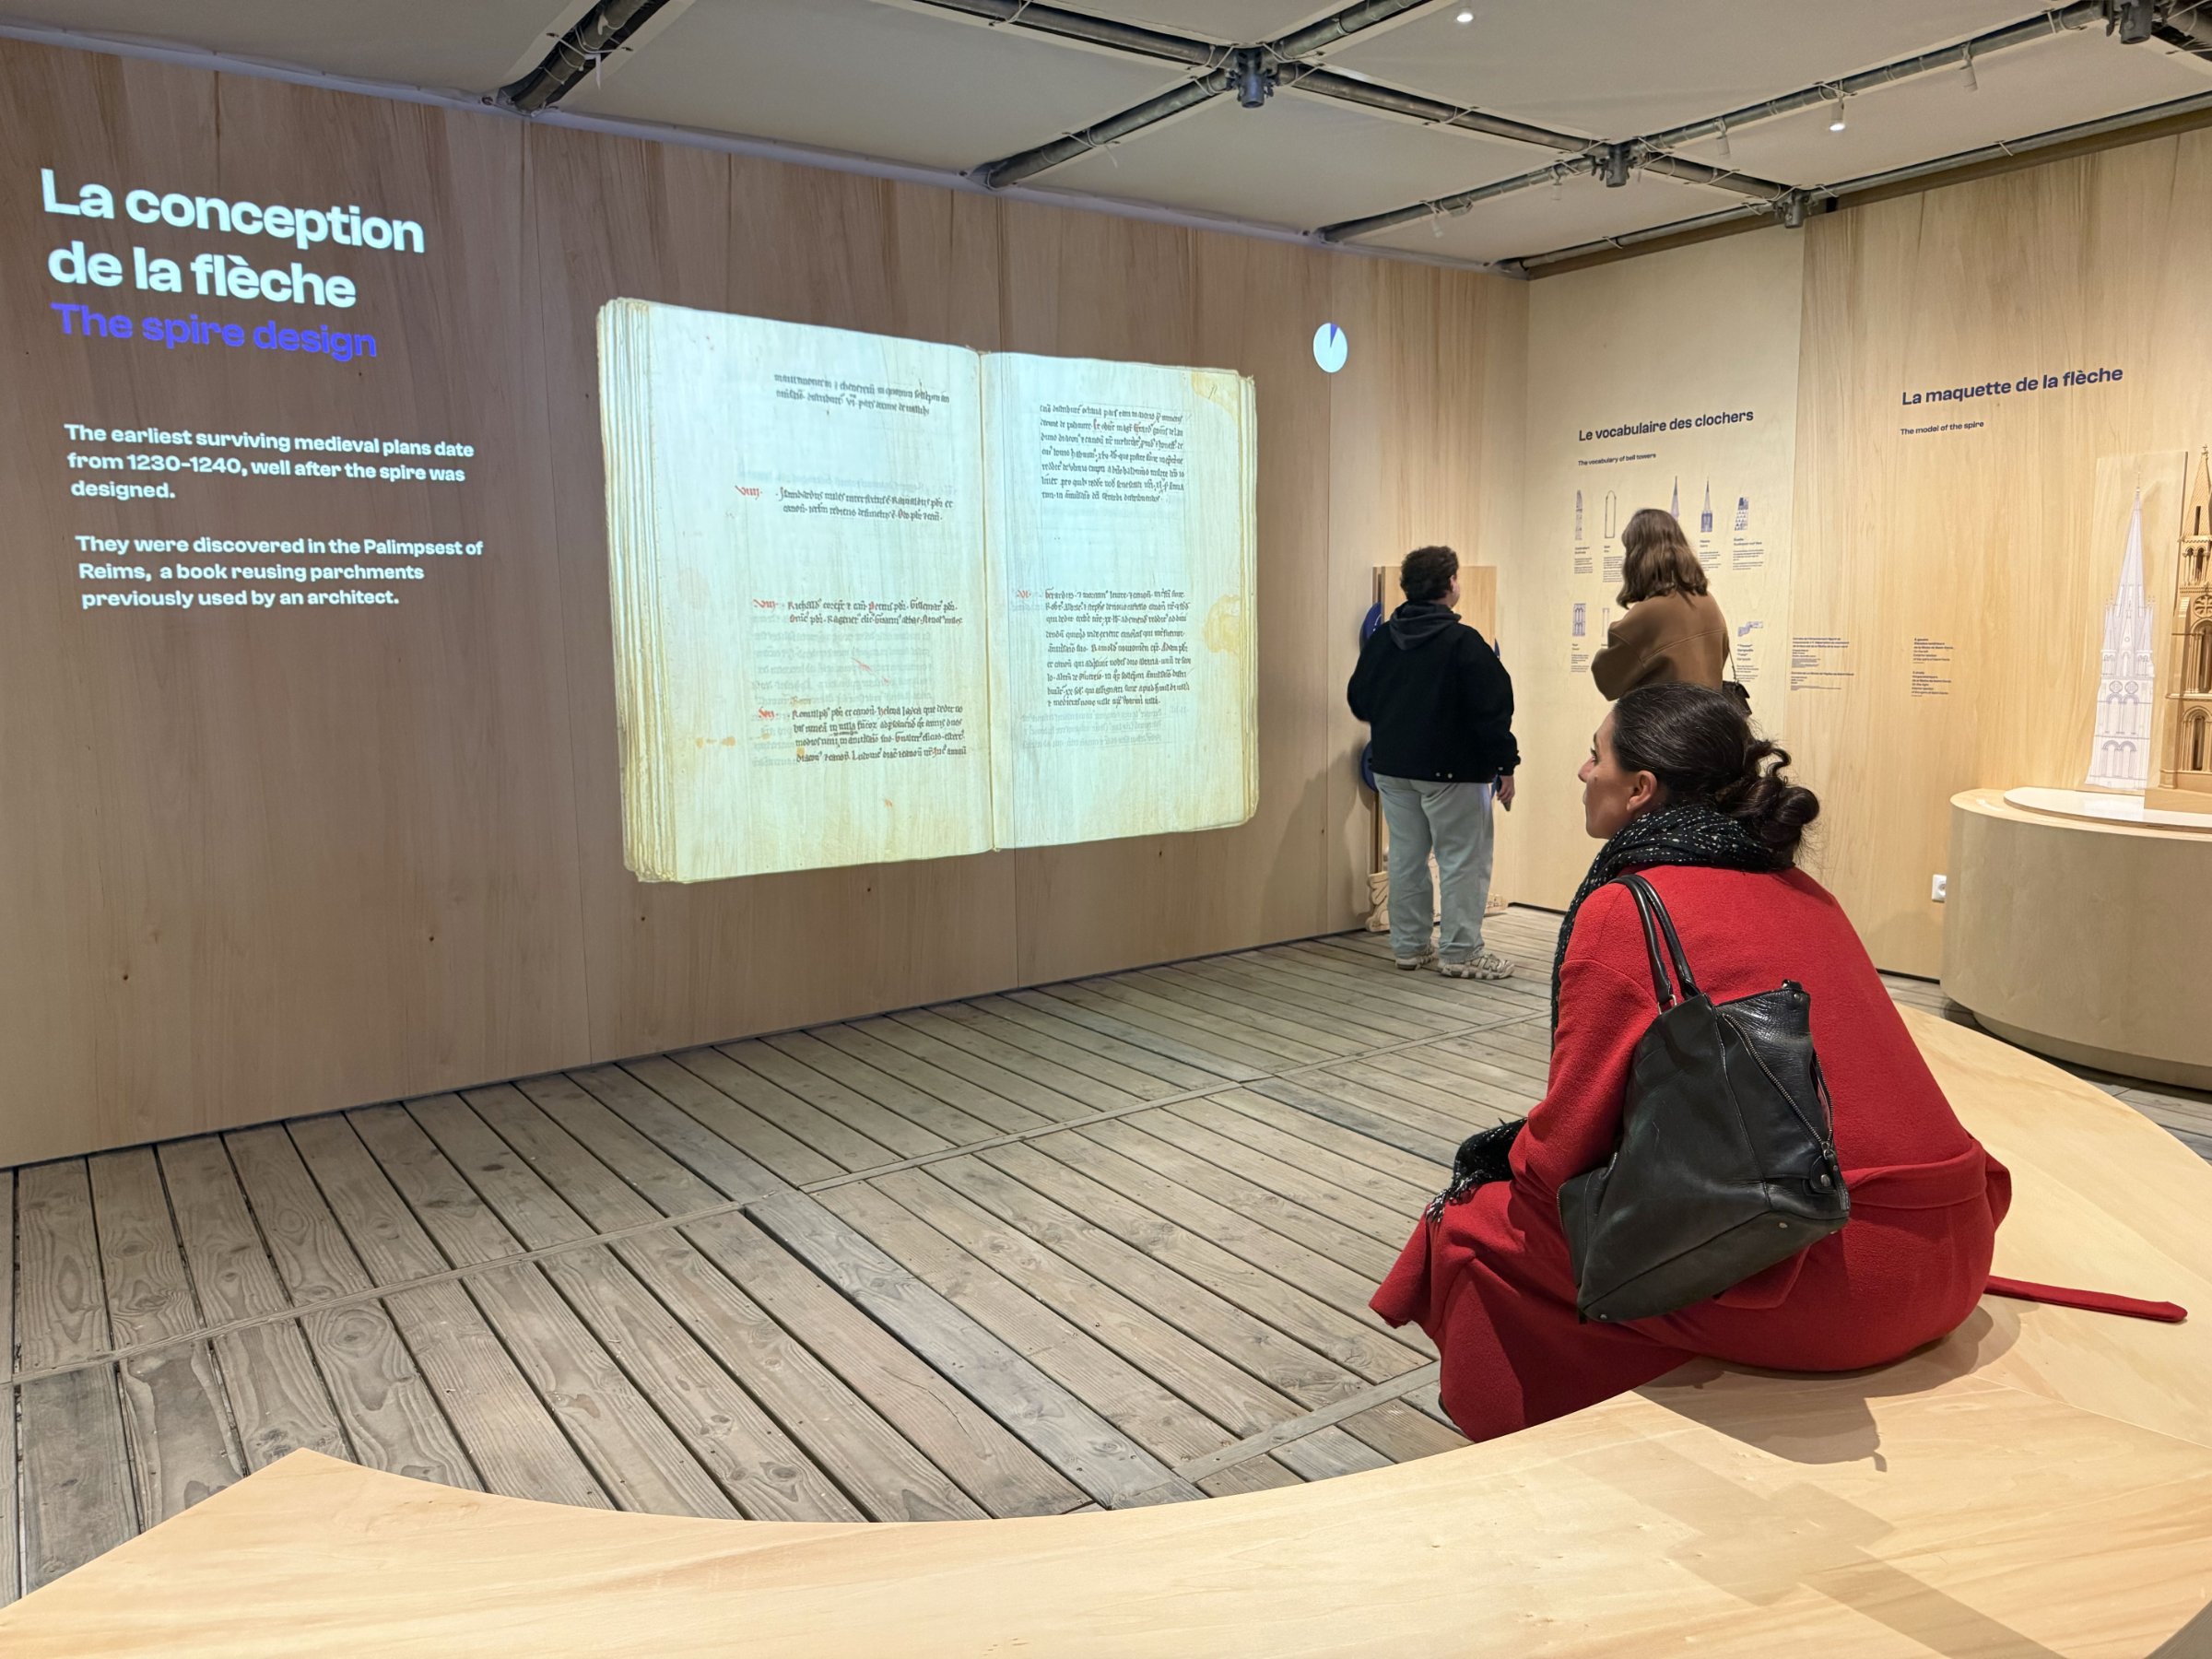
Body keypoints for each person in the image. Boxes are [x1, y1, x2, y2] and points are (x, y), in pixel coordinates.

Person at [1371, 684, 2010, 1441]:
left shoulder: (1627, 905)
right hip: (1956, 1245)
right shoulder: (1805, 890)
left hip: (1834, 1283)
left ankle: (1545, 1453)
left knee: (1477, 1227)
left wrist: (1491, 1174)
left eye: (1595, 754)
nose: (1581, 771)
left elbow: (1559, 1155)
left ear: (1641, 789)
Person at [1347, 546, 1518, 980]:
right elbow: (1493, 710)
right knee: (1462, 859)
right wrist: (1507, 765)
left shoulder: (1384, 639)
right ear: (1450, 585)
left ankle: (1409, 947)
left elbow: (1359, 700)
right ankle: (1461, 952)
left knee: (1406, 855)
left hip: (1392, 768)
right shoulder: (1464, 643)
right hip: (1454, 772)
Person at [1590, 507, 1731, 699]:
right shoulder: (1707, 601)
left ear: (1638, 556)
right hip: (1707, 723)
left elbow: (1607, 680)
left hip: (1662, 725)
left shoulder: (1650, 613)